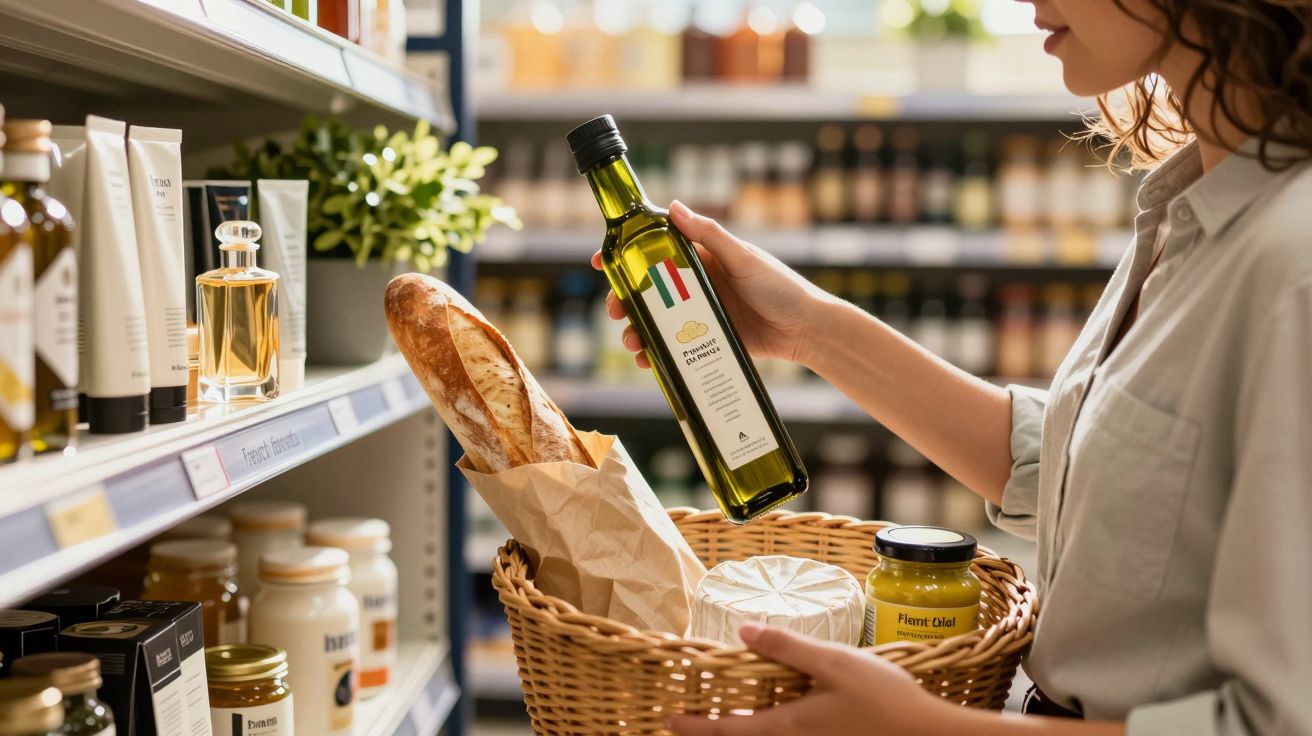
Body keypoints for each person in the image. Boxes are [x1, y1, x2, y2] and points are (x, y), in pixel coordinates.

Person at [592, 0, 1312, 733]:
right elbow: (1080, 464)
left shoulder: (1293, 263)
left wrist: (926, 727)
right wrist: (806, 328)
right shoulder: (1188, 205)